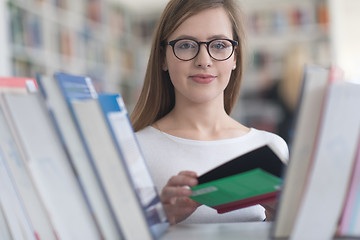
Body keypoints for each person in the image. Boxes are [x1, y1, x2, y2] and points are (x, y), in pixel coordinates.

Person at [130, 0, 289, 225]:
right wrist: (159, 222)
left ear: (235, 57)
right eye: (186, 45)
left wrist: (278, 221)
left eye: (219, 45)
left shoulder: (273, 148)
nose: (204, 61)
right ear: (163, 57)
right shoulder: (132, 150)